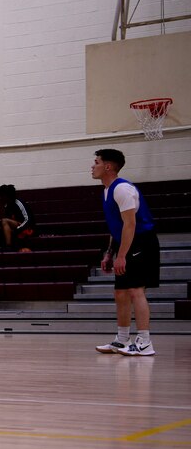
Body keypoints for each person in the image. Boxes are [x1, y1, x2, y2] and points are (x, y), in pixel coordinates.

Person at [92, 149, 158, 356]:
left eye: (96, 162)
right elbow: (118, 227)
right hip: (126, 243)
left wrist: (122, 256)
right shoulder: (107, 190)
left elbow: (130, 224)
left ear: (108, 167)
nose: (92, 167)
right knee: (120, 293)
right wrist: (110, 253)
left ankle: (145, 342)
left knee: (135, 290)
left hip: (141, 242)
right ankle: (122, 339)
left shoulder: (122, 189)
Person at [0, 184, 35, 252]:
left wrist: (18, 229)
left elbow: (28, 220)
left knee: (4, 221)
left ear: (6, 196)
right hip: (15, 227)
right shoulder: (7, 206)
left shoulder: (19, 203)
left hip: (26, 228)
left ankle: (8, 247)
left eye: (0, 196)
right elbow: (7, 220)